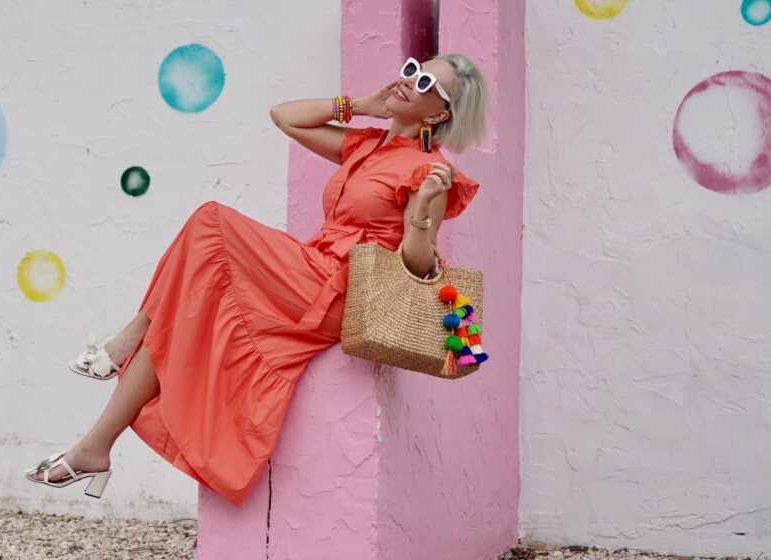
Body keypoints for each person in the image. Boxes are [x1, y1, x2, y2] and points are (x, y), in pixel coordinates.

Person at [26, 53, 494, 507]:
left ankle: (128, 339)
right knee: (183, 304)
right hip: (312, 267)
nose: (409, 81)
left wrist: (425, 211)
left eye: (427, 84)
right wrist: (361, 106)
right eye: (412, 70)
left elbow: (415, 265)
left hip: (343, 289)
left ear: (440, 112)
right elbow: (285, 117)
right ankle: (95, 446)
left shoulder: (428, 169)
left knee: (211, 220)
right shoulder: (366, 145)